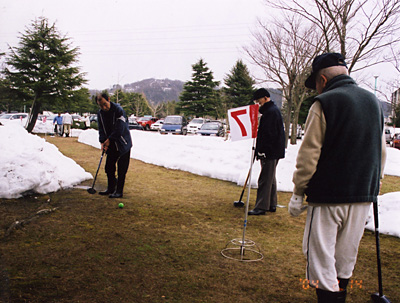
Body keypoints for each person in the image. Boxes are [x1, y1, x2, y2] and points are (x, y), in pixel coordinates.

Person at [288, 53, 387, 302]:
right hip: (363, 195)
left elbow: (309, 154)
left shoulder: (324, 102)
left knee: (321, 262)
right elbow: (380, 151)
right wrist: (375, 184)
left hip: (328, 197)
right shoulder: (373, 101)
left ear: (322, 79)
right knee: (344, 262)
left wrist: (299, 192)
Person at [248, 88, 285, 215]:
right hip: (274, 150)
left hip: (270, 150)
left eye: (259, 101)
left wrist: (263, 151)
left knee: (265, 178)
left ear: (265, 98)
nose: (258, 104)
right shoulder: (271, 111)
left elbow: (269, 135)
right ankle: (271, 204)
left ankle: (261, 206)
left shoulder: (270, 112)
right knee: (270, 177)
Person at [96, 93, 132, 198]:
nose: (103, 107)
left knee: (122, 169)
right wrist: (102, 141)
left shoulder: (119, 110)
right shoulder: (100, 113)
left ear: (109, 99)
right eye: (101, 105)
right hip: (111, 145)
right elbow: (101, 129)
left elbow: (120, 128)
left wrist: (109, 140)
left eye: (105, 104)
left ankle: (119, 191)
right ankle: (111, 188)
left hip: (123, 144)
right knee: (109, 167)